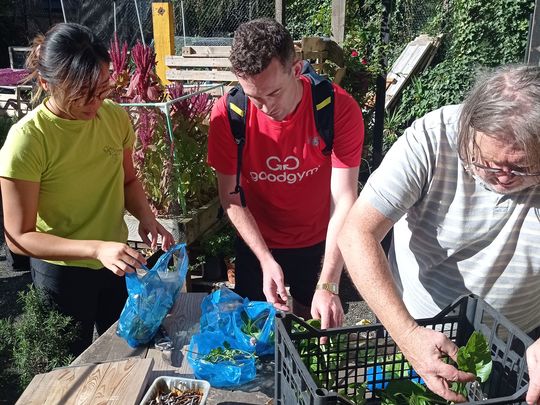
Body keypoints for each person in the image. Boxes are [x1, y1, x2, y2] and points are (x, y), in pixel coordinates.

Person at [338, 64, 540, 403]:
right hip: (419, 326)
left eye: (522, 168)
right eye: (487, 164)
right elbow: (357, 233)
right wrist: (408, 334)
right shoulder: (433, 137)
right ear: (467, 132)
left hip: (521, 339)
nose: (504, 178)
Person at [0, 23, 174, 356]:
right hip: (62, 273)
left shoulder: (114, 118)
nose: (94, 104)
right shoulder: (27, 141)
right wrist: (95, 249)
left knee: (126, 352)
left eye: (102, 90)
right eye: (81, 95)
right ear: (45, 83)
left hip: (115, 262)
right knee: (67, 366)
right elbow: (18, 236)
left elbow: (128, 180)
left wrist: (147, 217)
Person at [207, 18, 364, 329]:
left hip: (318, 241)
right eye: (254, 97)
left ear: (296, 69)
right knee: (254, 333)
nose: (265, 108)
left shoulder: (337, 109)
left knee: (316, 327)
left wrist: (329, 282)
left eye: (274, 93)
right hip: (257, 242)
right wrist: (265, 259)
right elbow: (231, 196)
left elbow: (345, 199)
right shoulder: (229, 113)